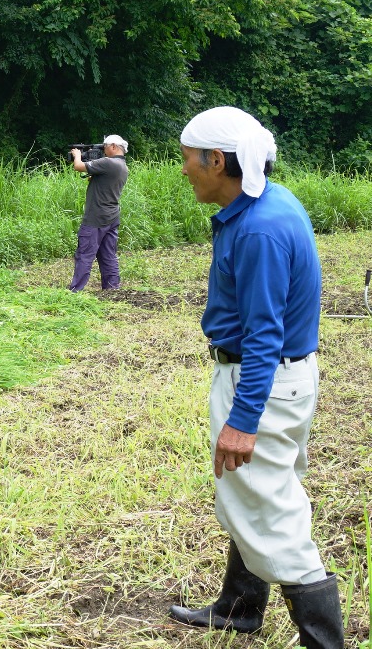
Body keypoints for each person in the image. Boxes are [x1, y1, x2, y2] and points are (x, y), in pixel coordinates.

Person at [169, 106, 342, 649]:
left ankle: (324, 641)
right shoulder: (265, 203)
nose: (184, 170)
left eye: (188, 160)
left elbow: (263, 336)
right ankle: (239, 607)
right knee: (255, 493)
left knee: (269, 509)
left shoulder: (260, 231)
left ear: (216, 160)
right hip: (285, 378)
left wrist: (243, 420)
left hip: (259, 380)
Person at [68, 134, 128, 291]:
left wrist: (77, 155)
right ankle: (112, 289)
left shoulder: (108, 163)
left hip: (96, 217)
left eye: (105, 146)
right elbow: (99, 181)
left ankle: (75, 290)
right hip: (112, 215)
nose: (104, 150)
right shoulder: (122, 166)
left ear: (114, 146)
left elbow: (78, 166)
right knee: (108, 255)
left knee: (85, 254)